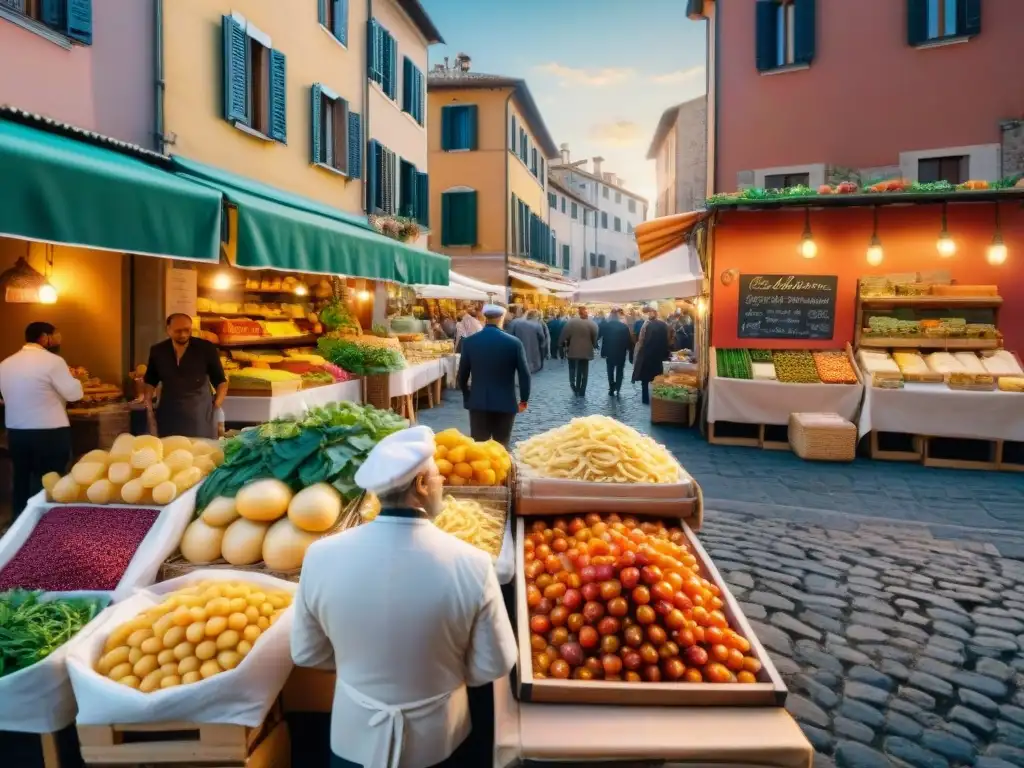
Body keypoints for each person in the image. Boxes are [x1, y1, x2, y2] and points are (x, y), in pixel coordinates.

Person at [292, 426, 517, 768]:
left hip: (353, 740)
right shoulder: (473, 564)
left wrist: (363, 669)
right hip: (439, 741)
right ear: (422, 485)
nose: (442, 484)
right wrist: (443, 674)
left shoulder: (320, 555)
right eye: (438, 477)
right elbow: (495, 664)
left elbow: (307, 653)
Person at [0, 322, 83, 517]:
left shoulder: (5, 364)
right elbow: (74, 394)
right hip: (49, 432)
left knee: (21, 480)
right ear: (45, 337)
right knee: (51, 481)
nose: (59, 340)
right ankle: (47, 527)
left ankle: (19, 523)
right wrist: (77, 380)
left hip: (16, 432)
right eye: (56, 335)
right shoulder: (53, 361)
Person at [143, 313, 227, 439]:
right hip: (169, 412)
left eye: (187, 330)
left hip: (199, 414)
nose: (183, 334)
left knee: (200, 452)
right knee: (170, 451)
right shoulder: (158, 350)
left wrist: (216, 406)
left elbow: (220, 381)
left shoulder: (206, 348)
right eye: (178, 331)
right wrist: (148, 406)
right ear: (168, 330)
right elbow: (150, 379)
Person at [457, 304, 530, 446]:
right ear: (501, 317)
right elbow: (524, 375)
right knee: (501, 446)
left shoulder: (470, 342)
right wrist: (524, 400)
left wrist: (467, 397)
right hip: (505, 402)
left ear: (485, 318)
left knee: (479, 446)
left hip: (478, 402)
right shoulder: (514, 343)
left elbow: (462, 375)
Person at [632, 303, 672, 404]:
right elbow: (669, 340)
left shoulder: (646, 325)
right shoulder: (664, 325)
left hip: (647, 355)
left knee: (645, 380)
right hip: (659, 356)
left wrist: (638, 353)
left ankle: (645, 399)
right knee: (658, 378)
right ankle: (658, 398)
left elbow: (641, 341)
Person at [558, 306, 598, 396]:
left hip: (573, 350)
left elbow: (564, 334)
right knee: (584, 370)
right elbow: (595, 336)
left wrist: (560, 344)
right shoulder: (591, 323)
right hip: (586, 351)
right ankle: (582, 390)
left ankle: (574, 385)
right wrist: (594, 344)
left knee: (572, 368)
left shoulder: (571, 322)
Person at [598, 309, 633, 397]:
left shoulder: (606, 326)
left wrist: (603, 351)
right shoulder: (623, 326)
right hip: (621, 351)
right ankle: (618, 386)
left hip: (610, 351)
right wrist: (629, 350)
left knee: (610, 369)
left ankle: (611, 386)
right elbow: (628, 340)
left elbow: (602, 338)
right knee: (620, 370)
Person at [510, 310, 546, 374]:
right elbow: (542, 339)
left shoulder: (516, 323)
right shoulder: (537, 325)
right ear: (536, 317)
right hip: (533, 351)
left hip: (519, 349)